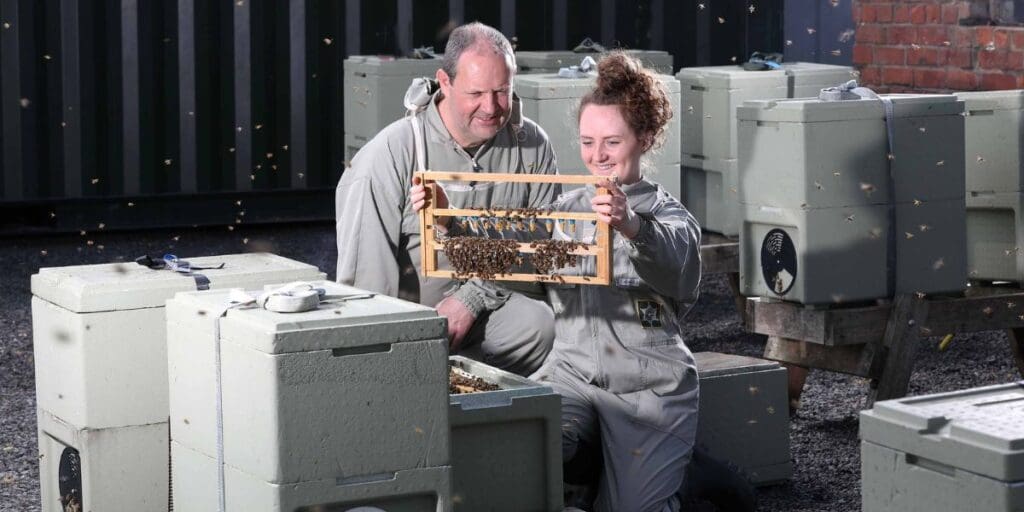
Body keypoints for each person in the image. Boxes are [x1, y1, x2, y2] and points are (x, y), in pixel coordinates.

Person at [335, 22, 559, 376]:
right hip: (412, 322)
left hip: (491, 311)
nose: (491, 107)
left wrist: (471, 298)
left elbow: (544, 251)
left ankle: (480, 410)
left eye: (502, 91)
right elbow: (366, 286)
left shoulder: (531, 145)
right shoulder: (388, 156)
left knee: (542, 327)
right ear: (445, 81)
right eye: (476, 93)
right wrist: (395, 346)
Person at [535, 52, 702, 512]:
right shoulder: (565, 210)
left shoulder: (670, 217)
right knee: (518, 456)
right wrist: (445, 218)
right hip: (571, 379)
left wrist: (632, 225)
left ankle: (681, 472)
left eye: (612, 141)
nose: (597, 156)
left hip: (648, 393)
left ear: (644, 138)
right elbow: (511, 260)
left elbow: (675, 264)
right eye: (588, 142)